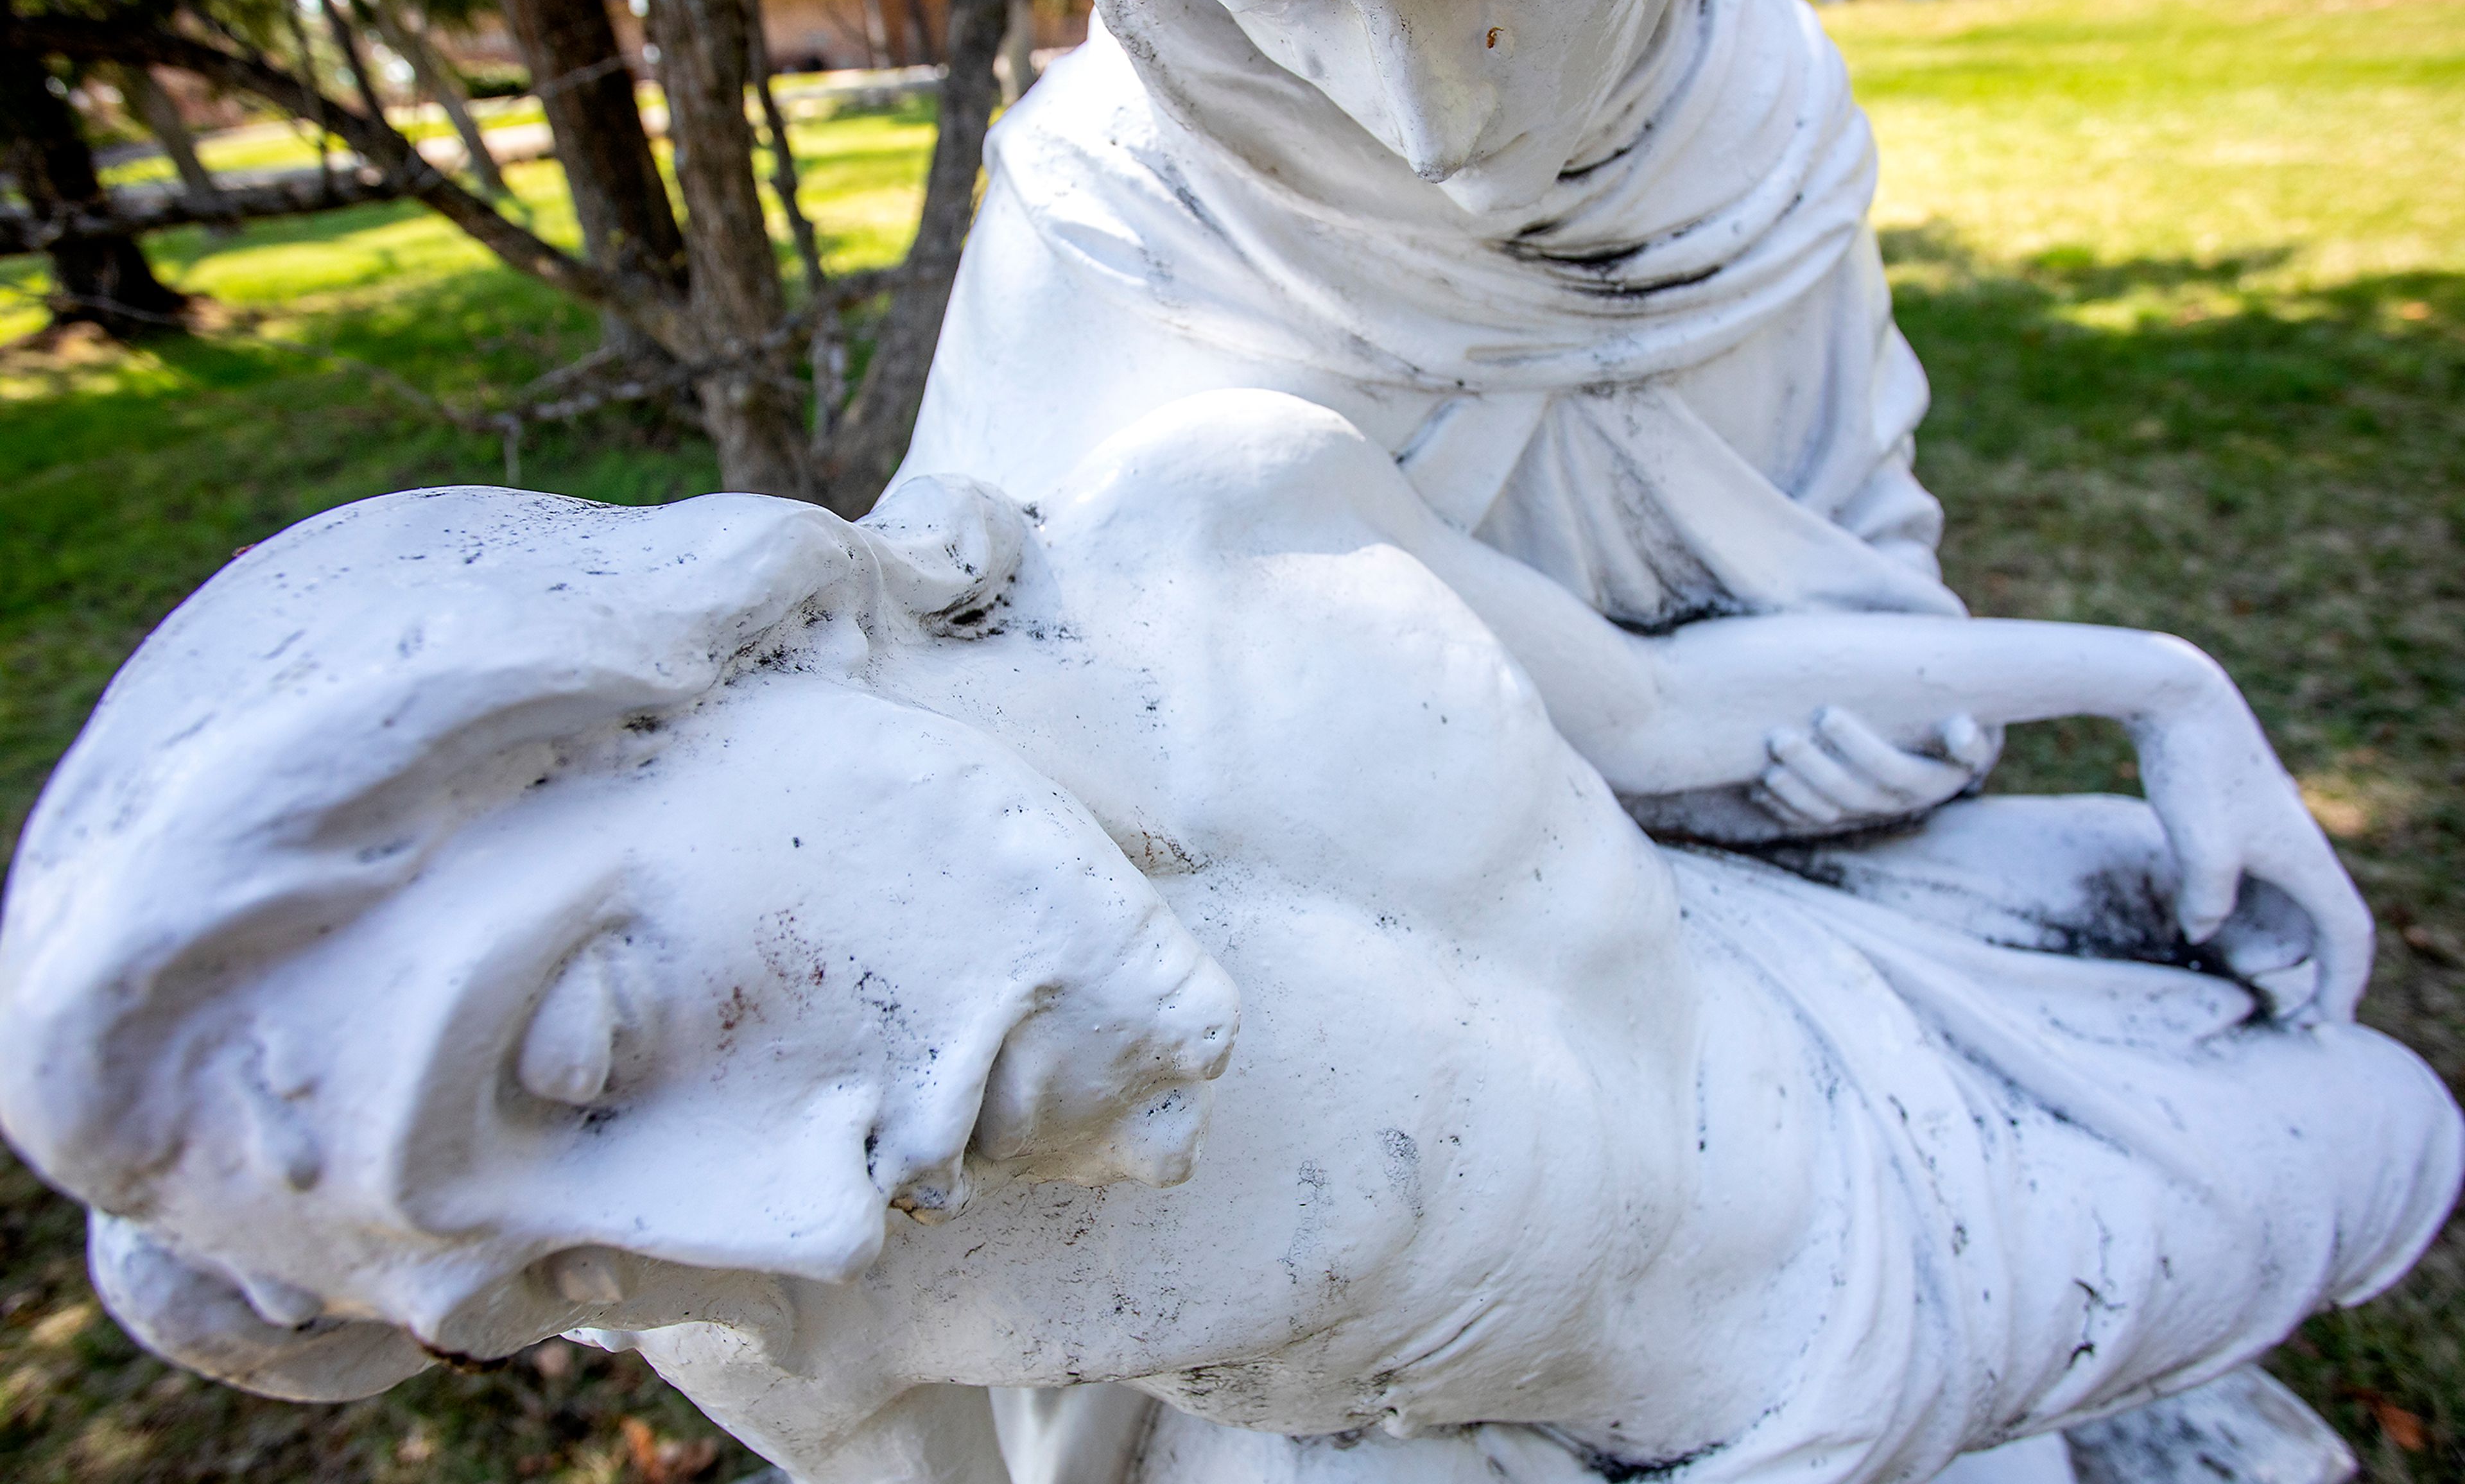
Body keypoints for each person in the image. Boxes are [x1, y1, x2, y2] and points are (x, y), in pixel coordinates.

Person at [3, 393, 2453, 1484]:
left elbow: (1677, 704)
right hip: (1671, 1432)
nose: (792, 1219)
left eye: (603, 1033)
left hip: (1878, 1080)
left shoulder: (1241, 548)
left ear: (707, 666)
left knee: (2386, 1134)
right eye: (549, 1295)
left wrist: (2161, 686)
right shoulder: (772, 1298)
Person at [903, 0, 1981, 838]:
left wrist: (1918, 723)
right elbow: (964, 725)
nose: (1429, 126)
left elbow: (1860, 548)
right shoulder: (1117, 204)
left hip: (1760, 857)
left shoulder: (1763, 112)